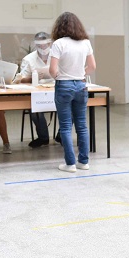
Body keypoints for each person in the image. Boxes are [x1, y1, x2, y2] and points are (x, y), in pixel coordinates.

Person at [48, 12, 96, 173]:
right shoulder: (85, 43)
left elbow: (52, 70)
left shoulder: (58, 44)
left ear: (59, 27)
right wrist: (80, 74)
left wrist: (60, 77)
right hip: (81, 85)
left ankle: (70, 164)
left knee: (65, 126)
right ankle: (84, 161)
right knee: (82, 125)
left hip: (64, 85)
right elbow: (92, 66)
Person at [16, 32, 54, 148]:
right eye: (39, 45)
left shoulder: (57, 56)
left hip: (56, 90)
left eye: (45, 45)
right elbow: (20, 79)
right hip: (37, 92)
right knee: (35, 108)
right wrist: (33, 78)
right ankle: (43, 137)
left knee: (71, 105)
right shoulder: (28, 59)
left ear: (50, 43)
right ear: (35, 45)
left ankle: (61, 135)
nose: (43, 48)